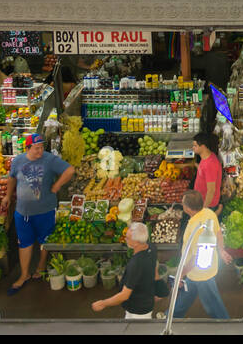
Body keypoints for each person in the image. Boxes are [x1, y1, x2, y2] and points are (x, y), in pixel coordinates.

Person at [7, 133, 74, 294]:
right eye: (36, 148)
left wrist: (57, 185)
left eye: (41, 147)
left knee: (45, 240)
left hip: (45, 210)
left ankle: (41, 265)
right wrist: (7, 196)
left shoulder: (49, 159)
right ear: (27, 148)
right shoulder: (17, 161)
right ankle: (24, 275)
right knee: (24, 242)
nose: (40, 151)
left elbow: (69, 170)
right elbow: (12, 178)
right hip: (22, 212)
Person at [168, 190, 233, 320]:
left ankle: (225, 324)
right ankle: (171, 316)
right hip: (198, 271)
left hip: (202, 273)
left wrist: (181, 273)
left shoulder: (196, 228)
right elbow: (218, 232)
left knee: (213, 305)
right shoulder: (208, 213)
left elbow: (197, 258)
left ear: (187, 208)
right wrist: (221, 250)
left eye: (182, 203)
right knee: (186, 295)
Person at [92, 222, 158, 319]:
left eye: (127, 238)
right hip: (144, 301)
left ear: (136, 243)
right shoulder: (151, 247)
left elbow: (124, 295)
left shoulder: (136, 264)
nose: (125, 239)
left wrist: (103, 303)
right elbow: (155, 269)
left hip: (139, 311)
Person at [192, 132, 223, 216]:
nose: (192, 148)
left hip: (208, 204)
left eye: (195, 146)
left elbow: (211, 190)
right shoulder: (207, 157)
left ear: (203, 146)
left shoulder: (210, 164)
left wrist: (204, 209)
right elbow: (203, 171)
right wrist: (193, 164)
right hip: (201, 200)